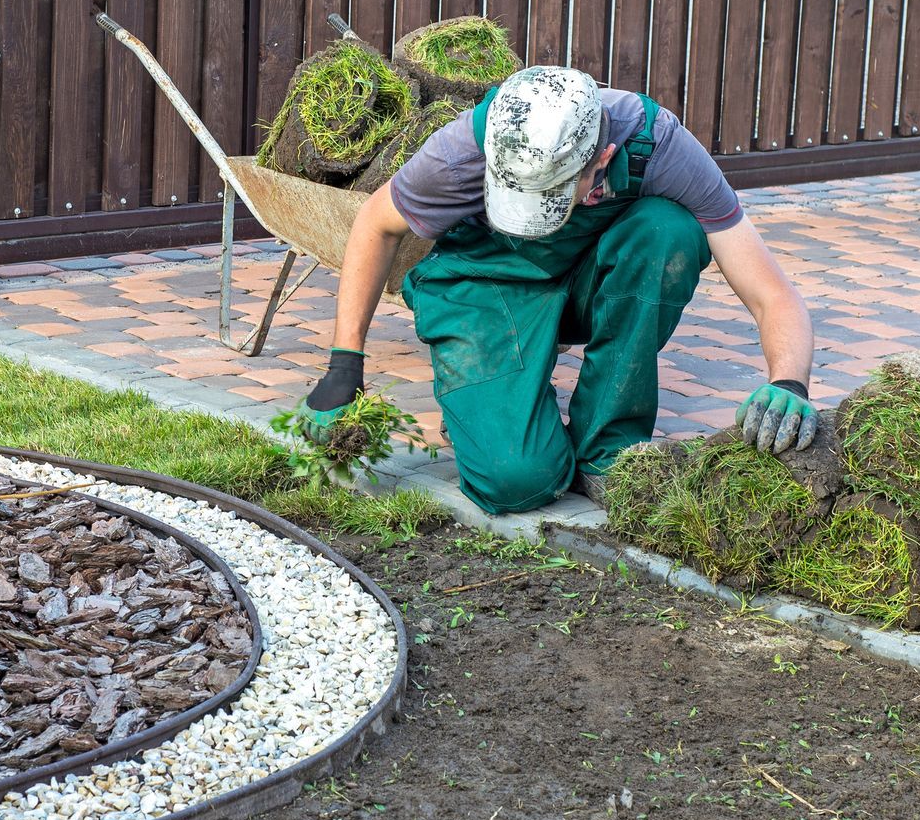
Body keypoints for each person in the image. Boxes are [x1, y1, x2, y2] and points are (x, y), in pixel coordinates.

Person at [299, 65, 817, 516]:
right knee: (516, 481)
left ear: (601, 158)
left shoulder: (660, 148)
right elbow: (376, 224)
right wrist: (345, 366)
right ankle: (496, 411)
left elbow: (772, 293)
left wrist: (789, 382)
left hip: (585, 285)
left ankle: (607, 447)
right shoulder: (464, 150)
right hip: (487, 285)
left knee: (667, 229)